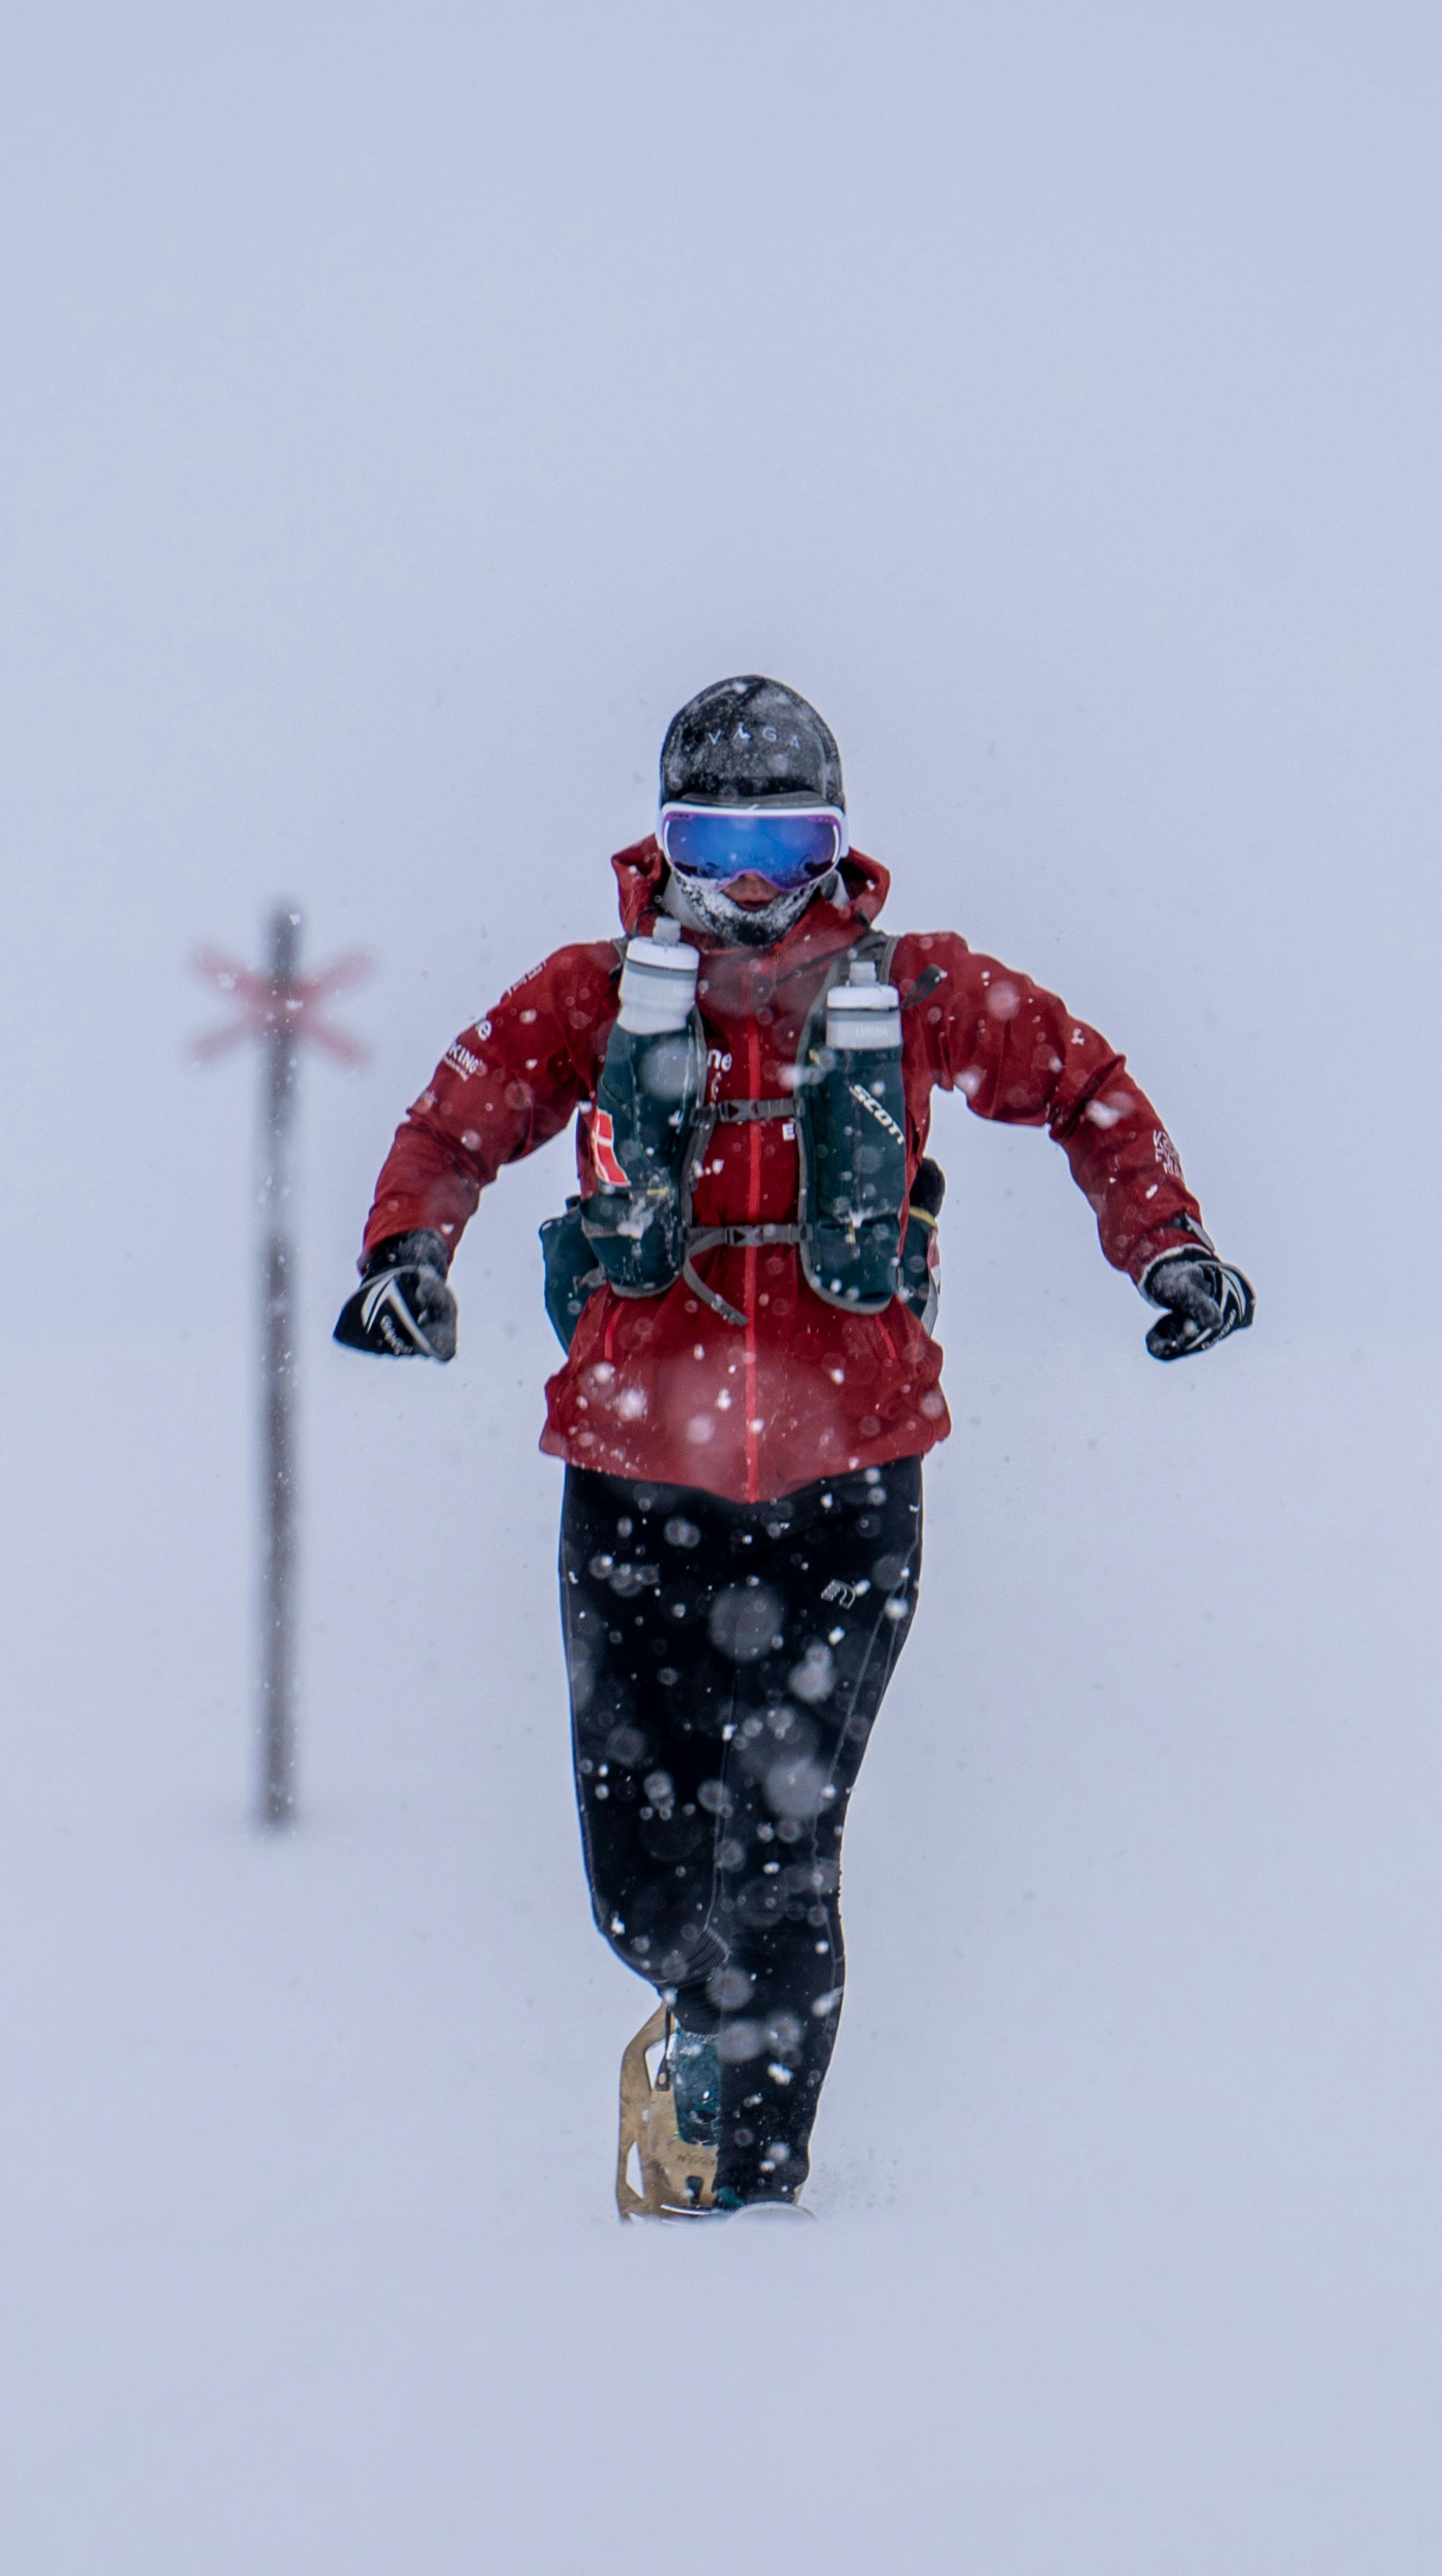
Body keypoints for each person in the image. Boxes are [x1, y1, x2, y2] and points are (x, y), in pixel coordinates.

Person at [335, 674, 1253, 2220]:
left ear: (839, 846)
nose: (752, 886)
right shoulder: (590, 995)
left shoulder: (916, 989)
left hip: (847, 1490)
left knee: (779, 1846)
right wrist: (406, 1255)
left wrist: (1166, 1245)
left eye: (787, 846)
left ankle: (753, 2208)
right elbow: (456, 1120)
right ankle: (701, 2021)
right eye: (717, 845)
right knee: (640, 1881)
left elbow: (1084, 1086)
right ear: (663, 843)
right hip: (635, 1487)